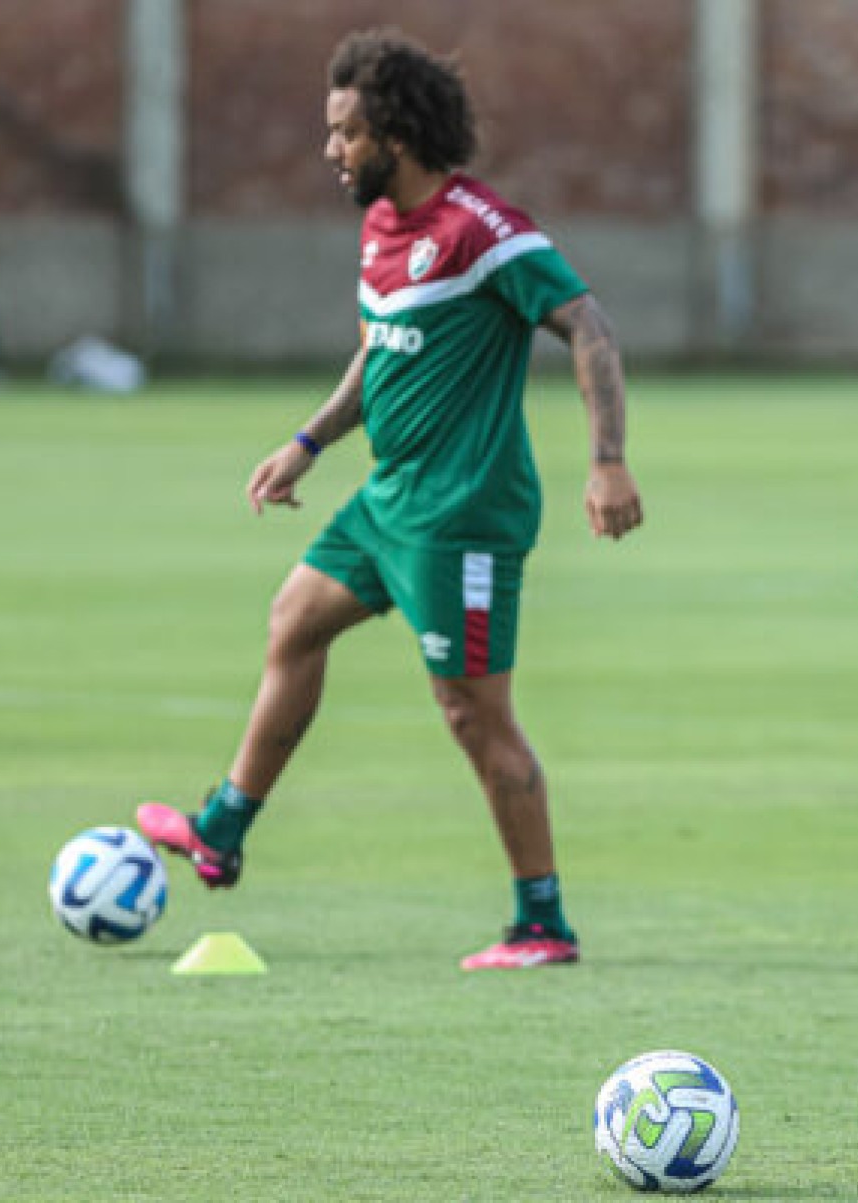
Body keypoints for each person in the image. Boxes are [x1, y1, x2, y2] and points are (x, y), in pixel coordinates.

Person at [137, 29, 643, 972]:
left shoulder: (483, 231)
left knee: (471, 714)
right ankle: (222, 829)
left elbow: (589, 324)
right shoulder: (381, 230)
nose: (330, 149)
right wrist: (306, 443)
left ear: (395, 134)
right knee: (294, 620)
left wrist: (607, 460)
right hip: (389, 499)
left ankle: (542, 922)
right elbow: (383, 351)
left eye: (344, 132)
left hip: (465, 518)